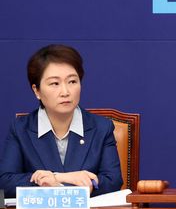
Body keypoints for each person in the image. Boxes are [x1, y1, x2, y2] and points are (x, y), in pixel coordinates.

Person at [0, 45, 123, 198]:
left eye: (72, 81)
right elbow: (4, 182)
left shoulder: (102, 128)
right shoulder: (20, 129)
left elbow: (113, 181)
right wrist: (57, 179)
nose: (65, 92)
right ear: (37, 91)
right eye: (55, 83)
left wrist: (64, 179)